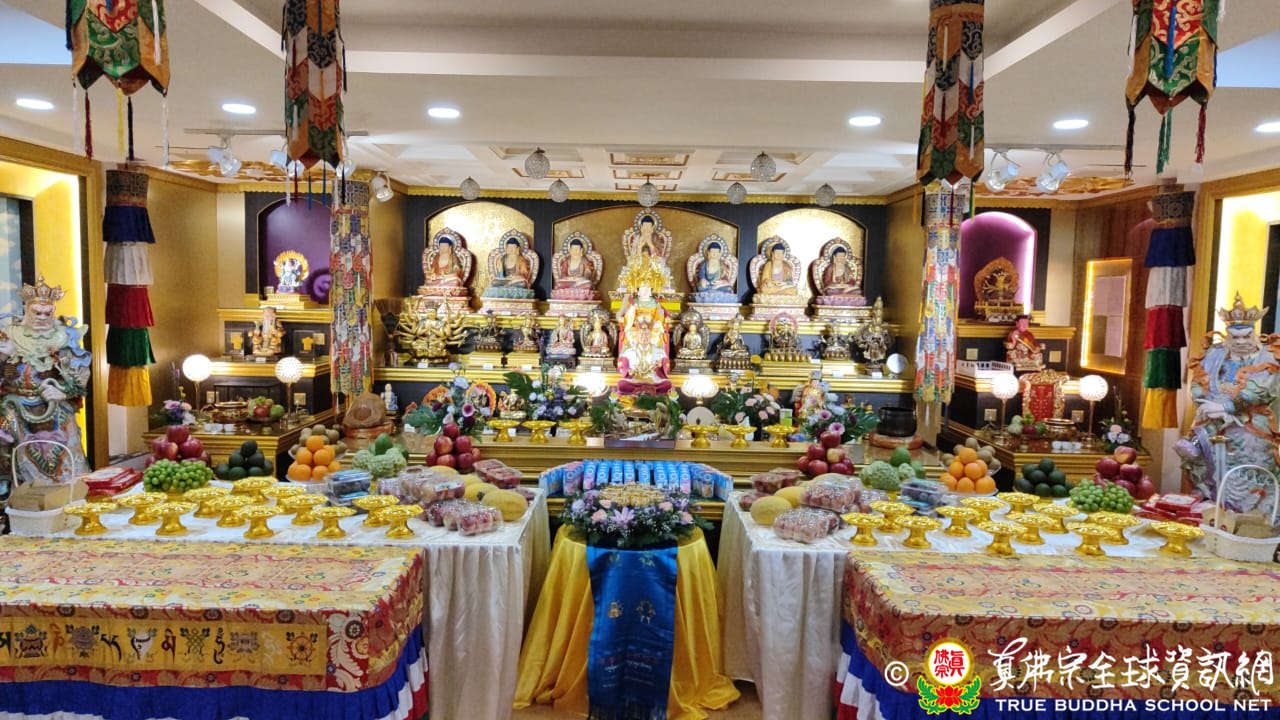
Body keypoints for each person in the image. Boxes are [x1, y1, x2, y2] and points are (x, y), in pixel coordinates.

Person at [1179, 292, 1280, 516]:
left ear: (1254, 334)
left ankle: (1251, 517)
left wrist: (1228, 407)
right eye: (1235, 338)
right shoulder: (1214, 354)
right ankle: (1210, 509)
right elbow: (1198, 383)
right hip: (1212, 419)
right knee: (1197, 452)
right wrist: (1205, 402)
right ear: (1228, 336)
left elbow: (1262, 389)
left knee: (1251, 459)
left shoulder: (1268, 357)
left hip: (1251, 423)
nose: (1241, 342)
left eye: (1246, 336)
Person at [0, 278, 91, 489]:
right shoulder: (9, 335)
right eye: (36, 313)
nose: (41, 318)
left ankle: (70, 495)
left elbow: (80, 378)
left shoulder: (64, 337)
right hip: (15, 406)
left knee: (66, 457)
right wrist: (4, 358)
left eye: (46, 314)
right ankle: (18, 496)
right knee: (12, 450)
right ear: (27, 310)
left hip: (55, 408)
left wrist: (63, 392)